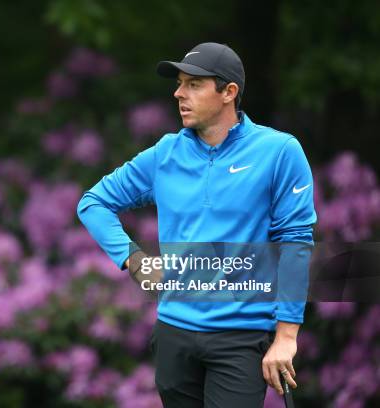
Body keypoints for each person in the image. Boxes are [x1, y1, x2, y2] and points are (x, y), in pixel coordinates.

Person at [77, 42, 317, 407]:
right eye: (179, 83)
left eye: (193, 84)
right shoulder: (164, 154)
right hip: (174, 333)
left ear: (228, 92)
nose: (178, 93)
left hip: (242, 337)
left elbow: (296, 241)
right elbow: (93, 203)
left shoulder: (279, 151)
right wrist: (132, 258)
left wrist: (286, 336)